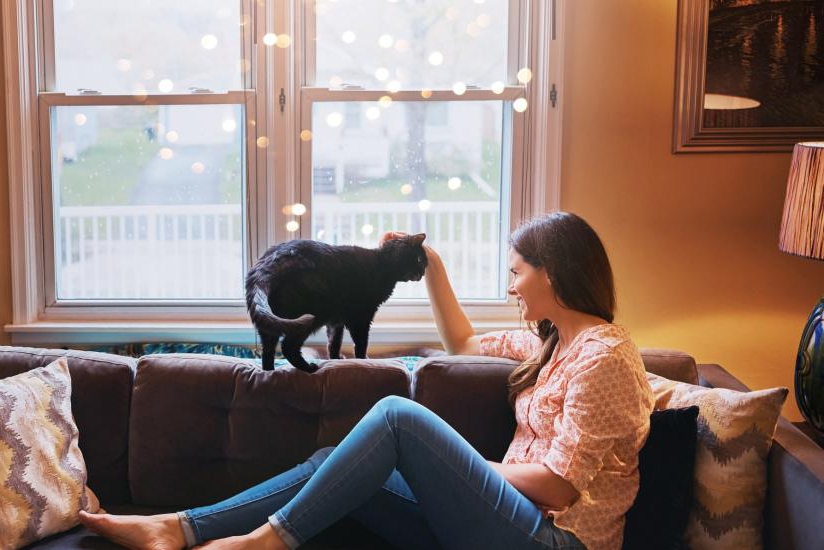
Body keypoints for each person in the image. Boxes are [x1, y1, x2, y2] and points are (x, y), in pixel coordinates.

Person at [79, 211, 655, 550]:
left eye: (516, 273)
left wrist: (458, 468)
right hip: (510, 518)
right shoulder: (554, 342)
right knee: (335, 456)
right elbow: (466, 346)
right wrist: (433, 266)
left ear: (552, 273)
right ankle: (177, 528)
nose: (510, 287)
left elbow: (559, 488)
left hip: (557, 539)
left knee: (397, 417)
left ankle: (266, 543)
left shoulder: (603, 357)